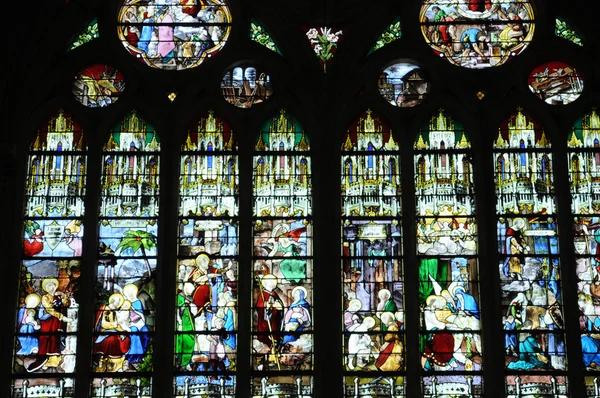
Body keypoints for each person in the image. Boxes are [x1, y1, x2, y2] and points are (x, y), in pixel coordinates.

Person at [28, 278, 73, 372]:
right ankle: (44, 360)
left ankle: (54, 361)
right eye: (48, 286)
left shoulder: (59, 297)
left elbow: (66, 304)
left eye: (52, 285)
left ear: (55, 286)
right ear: (45, 288)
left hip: (56, 323)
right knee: (46, 339)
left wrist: (63, 295)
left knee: (55, 340)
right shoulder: (45, 297)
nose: (51, 287)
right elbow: (49, 309)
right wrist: (62, 317)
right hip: (47, 322)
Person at [93, 293, 132, 372]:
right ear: (112, 301)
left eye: (118, 304)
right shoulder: (105, 309)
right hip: (104, 331)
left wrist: (122, 331)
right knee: (113, 339)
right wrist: (116, 325)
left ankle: (120, 363)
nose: (118, 305)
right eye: (117, 303)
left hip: (112, 330)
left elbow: (116, 325)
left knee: (125, 338)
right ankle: (110, 361)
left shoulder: (113, 311)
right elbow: (104, 324)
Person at [122, 284, 149, 364]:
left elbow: (140, 313)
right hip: (130, 323)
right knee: (134, 332)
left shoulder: (137, 302)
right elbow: (123, 316)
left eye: (131, 292)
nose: (130, 294)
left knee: (146, 332)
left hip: (140, 322)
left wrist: (134, 310)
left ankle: (143, 353)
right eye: (128, 293)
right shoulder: (125, 303)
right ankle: (133, 357)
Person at [255, 274, 284, 348]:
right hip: (266, 322)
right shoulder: (263, 294)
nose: (274, 282)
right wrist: (266, 305)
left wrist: (279, 307)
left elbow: (280, 305)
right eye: (272, 281)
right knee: (266, 339)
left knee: (275, 335)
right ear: (267, 283)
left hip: (275, 320)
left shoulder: (274, 294)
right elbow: (259, 306)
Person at [175, 282, 197, 369]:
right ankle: (180, 362)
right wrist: (179, 322)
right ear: (186, 289)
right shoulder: (179, 297)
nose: (191, 293)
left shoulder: (190, 298)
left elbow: (193, 312)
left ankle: (187, 362)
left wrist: (192, 306)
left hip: (190, 324)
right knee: (181, 343)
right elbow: (177, 311)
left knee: (190, 342)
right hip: (182, 324)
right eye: (190, 291)